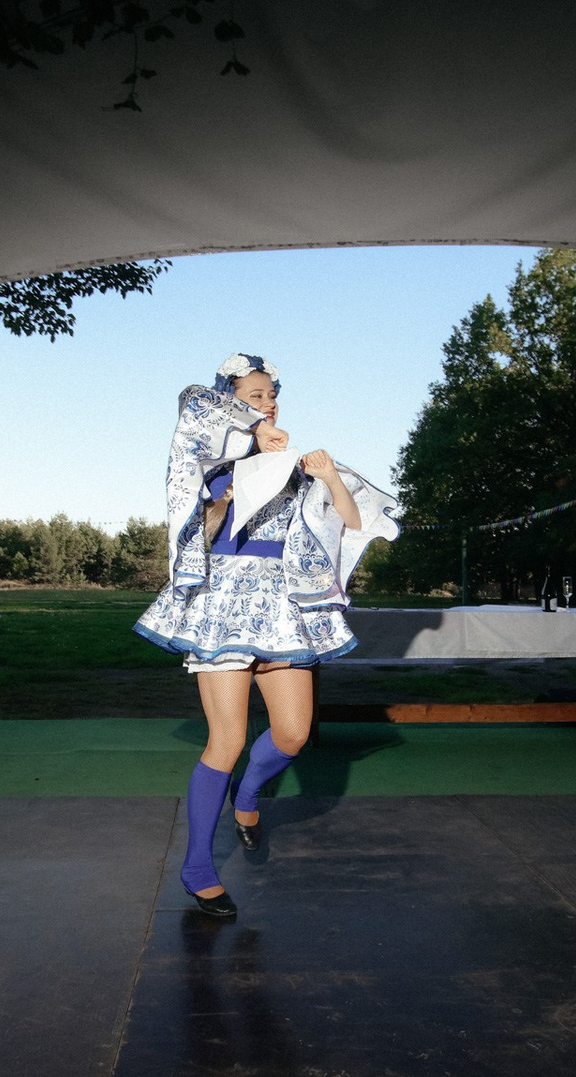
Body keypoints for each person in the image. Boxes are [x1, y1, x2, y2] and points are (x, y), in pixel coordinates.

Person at [134, 353, 399, 918]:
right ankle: (197, 869)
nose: (268, 403)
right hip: (224, 604)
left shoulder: (298, 467)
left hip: (283, 607)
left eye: (272, 395)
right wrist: (233, 479)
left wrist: (330, 477)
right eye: (255, 395)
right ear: (231, 402)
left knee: (294, 734)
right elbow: (193, 412)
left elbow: (352, 523)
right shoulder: (209, 462)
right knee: (227, 741)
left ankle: (248, 795)